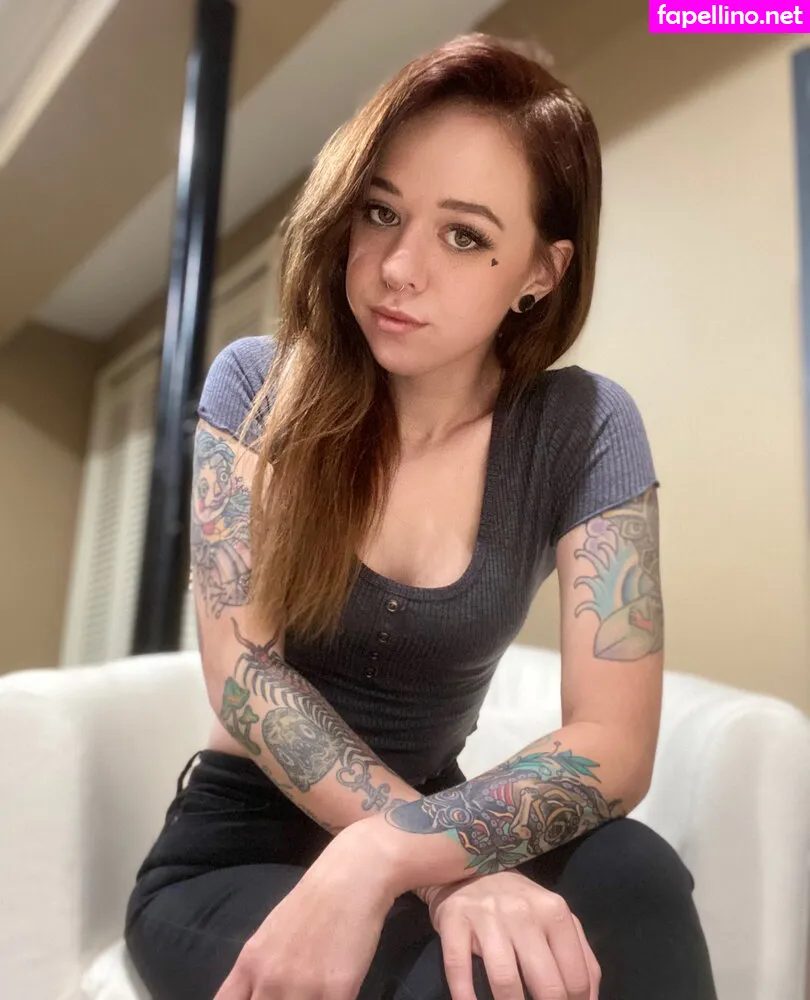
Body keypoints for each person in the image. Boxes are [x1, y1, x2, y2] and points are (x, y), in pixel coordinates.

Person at [124, 32, 718, 1000]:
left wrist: (394, 854)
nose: (399, 266)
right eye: (380, 211)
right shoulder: (257, 387)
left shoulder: (584, 426)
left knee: (635, 875)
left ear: (541, 271)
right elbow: (245, 676)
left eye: (464, 235)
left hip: (435, 820)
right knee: (465, 978)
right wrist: (438, 871)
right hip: (238, 848)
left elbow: (613, 741)